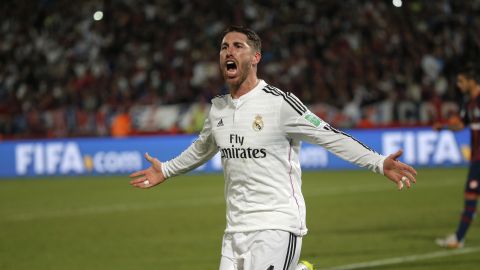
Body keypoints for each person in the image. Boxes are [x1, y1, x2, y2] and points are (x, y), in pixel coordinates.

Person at [129, 26, 417, 270]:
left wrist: (379, 162)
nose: (229, 51)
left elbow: (331, 136)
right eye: (224, 47)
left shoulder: (280, 103)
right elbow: (202, 148)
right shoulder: (218, 108)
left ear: (255, 57)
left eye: (237, 46)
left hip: (277, 224)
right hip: (235, 228)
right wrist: (166, 169)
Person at [435, 65, 480, 249]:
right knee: (470, 196)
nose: (458, 85)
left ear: (471, 81)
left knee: (470, 195)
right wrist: (444, 127)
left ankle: (458, 238)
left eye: (461, 81)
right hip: (476, 158)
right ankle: (458, 238)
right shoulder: (469, 103)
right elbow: (462, 125)